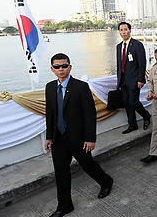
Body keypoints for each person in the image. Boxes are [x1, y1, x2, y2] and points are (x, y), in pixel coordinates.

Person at [45, 53, 113, 217]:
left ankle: (106, 181)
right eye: (57, 66)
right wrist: (49, 137)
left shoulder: (81, 87)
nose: (61, 69)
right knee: (61, 172)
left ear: (70, 67)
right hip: (58, 138)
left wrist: (90, 138)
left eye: (64, 66)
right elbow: (50, 114)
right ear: (52, 69)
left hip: (78, 138)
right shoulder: (49, 87)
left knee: (87, 164)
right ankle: (64, 205)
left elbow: (89, 114)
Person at [116, 22, 151, 134]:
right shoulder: (118, 46)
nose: (123, 32)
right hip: (123, 80)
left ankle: (146, 115)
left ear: (130, 30)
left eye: (125, 29)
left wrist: (141, 79)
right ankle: (132, 124)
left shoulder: (137, 45)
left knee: (133, 101)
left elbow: (142, 63)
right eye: (121, 30)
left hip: (134, 80)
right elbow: (119, 64)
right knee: (126, 103)